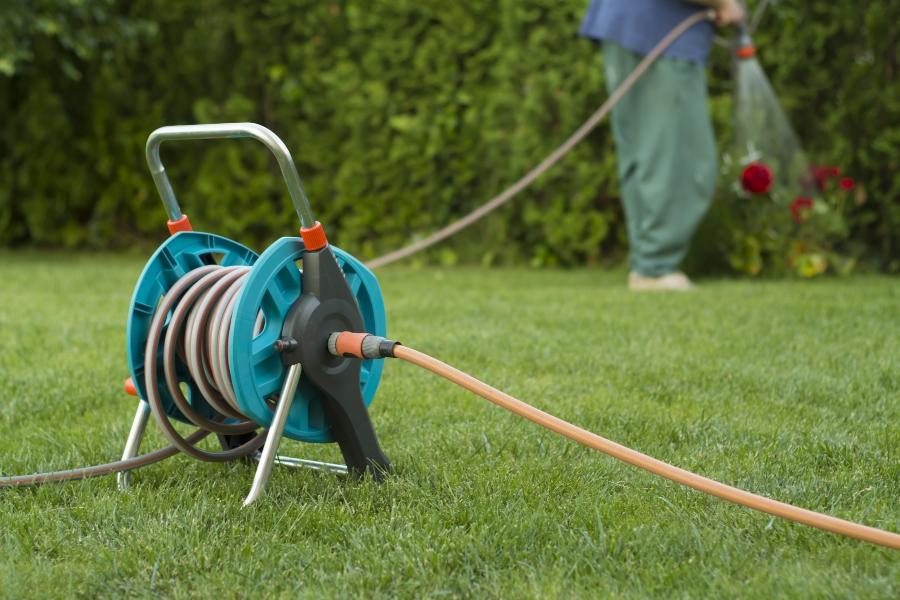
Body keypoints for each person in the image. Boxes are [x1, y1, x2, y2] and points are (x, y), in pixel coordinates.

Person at [580, 0, 744, 291]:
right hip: (661, 31)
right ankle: (654, 267)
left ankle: (648, 264)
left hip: (628, 23)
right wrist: (725, 3)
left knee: (643, 150)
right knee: (676, 153)